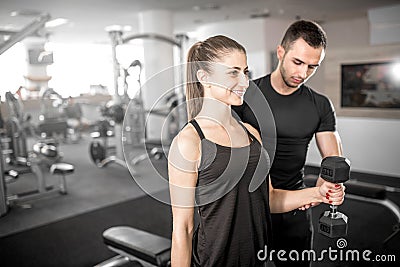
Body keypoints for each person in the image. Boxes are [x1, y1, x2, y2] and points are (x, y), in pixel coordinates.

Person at [168, 35, 345, 267]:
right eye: (233, 72)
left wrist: (318, 193)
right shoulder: (190, 141)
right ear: (204, 77)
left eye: (245, 72)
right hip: (215, 260)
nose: (244, 82)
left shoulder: (252, 133)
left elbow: (268, 199)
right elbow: (183, 229)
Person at [233, 20, 344, 267]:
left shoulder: (320, 105)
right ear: (281, 52)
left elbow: (332, 160)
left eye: (312, 67)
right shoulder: (244, 96)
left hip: (295, 206)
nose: (303, 74)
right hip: (250, 207)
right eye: (298, 62)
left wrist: (328, 186)